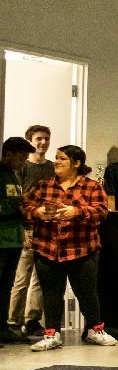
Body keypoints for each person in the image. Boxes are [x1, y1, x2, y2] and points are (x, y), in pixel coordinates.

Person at [22, 144, 112, 352]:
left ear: (77, 163)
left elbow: (102, 211)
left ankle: (95, 330)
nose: (57, 162)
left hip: (81, 248)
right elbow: (24, 206)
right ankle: (51, 334)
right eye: (57, 157)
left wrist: (76, 211)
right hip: (47, 248)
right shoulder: (43, 186)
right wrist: (38, 212)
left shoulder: (91, 186)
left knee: (87, 292)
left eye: (62, 158)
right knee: (51, 293)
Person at [8, 124, 51, 337]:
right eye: (39, 139)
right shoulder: (21, 167)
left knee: (40, 278)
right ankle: (12, 320)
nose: (43, 143)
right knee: (21, 277)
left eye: (46, 138)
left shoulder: (51, 167)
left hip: (46, 230)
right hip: (27, 228)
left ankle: (32, 319)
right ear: (31, 141)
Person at [0, 137, 34, 343]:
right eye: (20, 158)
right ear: (8, 153)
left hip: (13, 239)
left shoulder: (13, 174)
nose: (22, 162)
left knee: (6, 286)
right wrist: (15, 207)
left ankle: (2, 326)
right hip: (1, 239)